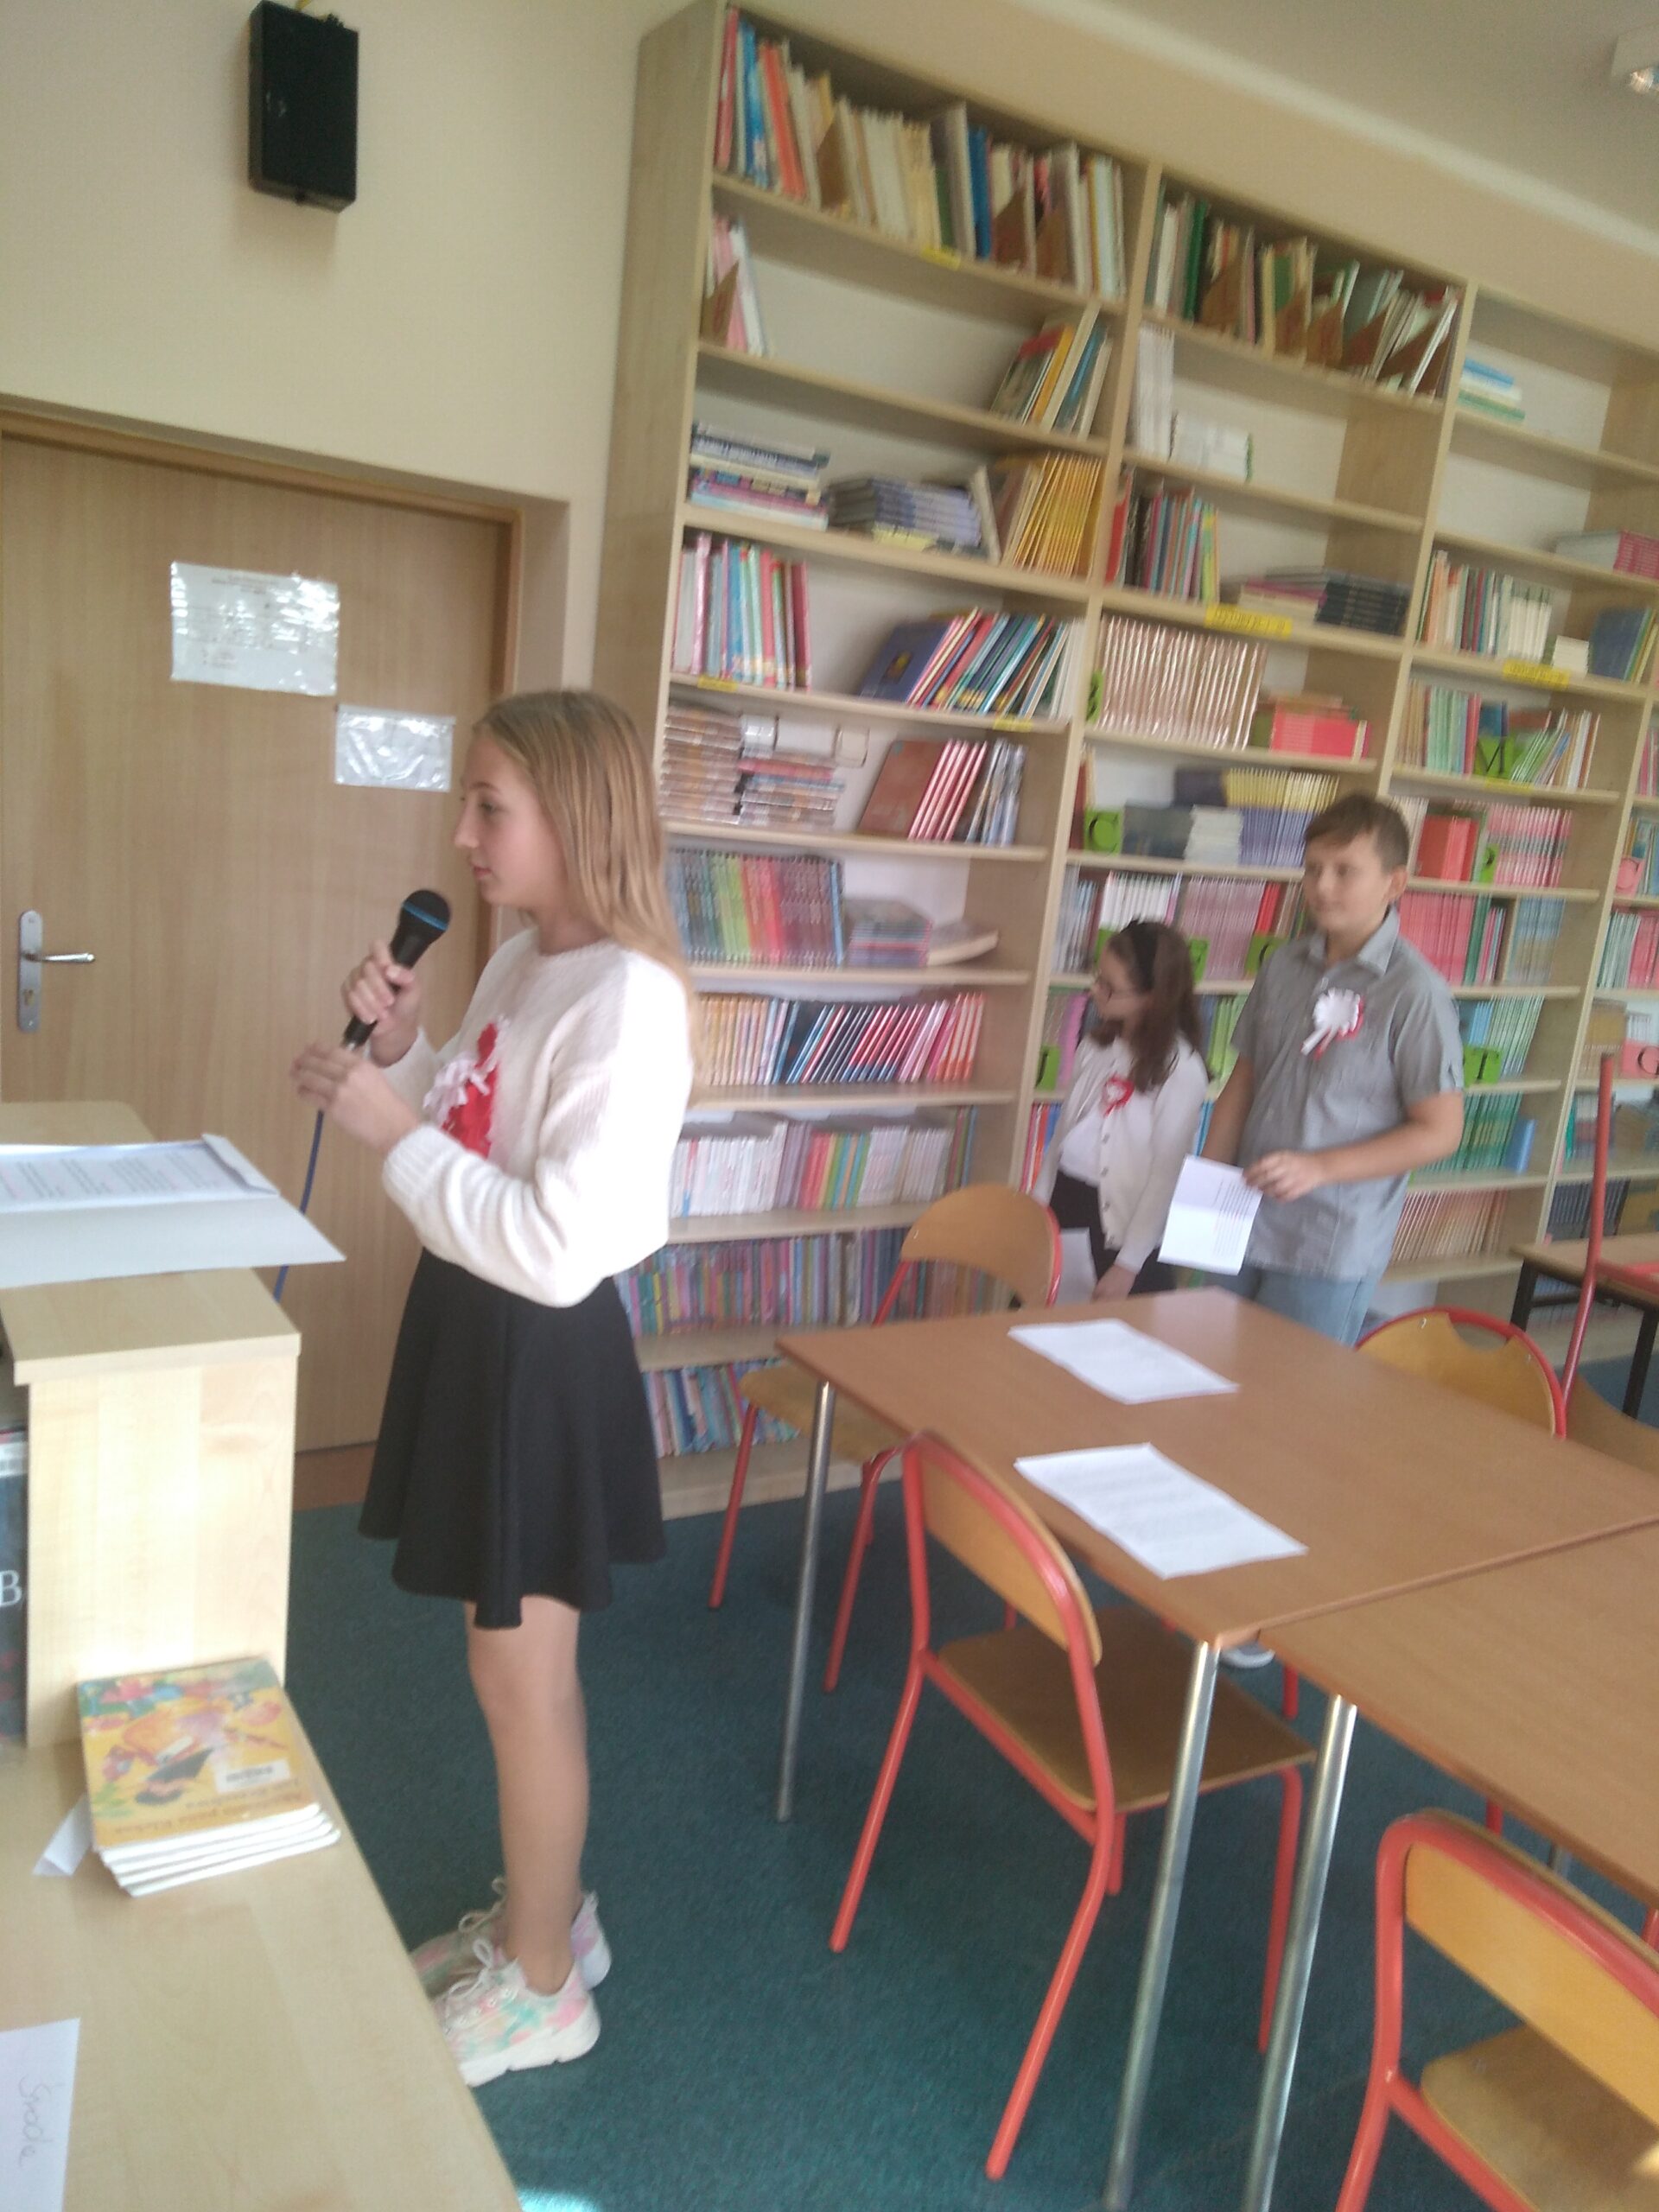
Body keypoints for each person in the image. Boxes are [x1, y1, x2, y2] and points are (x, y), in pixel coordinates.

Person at [290, 690, 693, 2086]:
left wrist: (387, 1127)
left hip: (539, 1348)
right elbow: (477, 1124)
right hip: (480, 1325)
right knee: (513, 1671)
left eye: (490, 807)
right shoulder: (527, 960)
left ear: (575, 818)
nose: (462, 834)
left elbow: (559, 1240)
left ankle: (541, 1990)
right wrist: (408, 1053)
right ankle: (547, 1920)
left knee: (520, 1678)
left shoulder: (632, 998)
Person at [1203, 791, 1464, 1349]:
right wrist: (1207, 1186)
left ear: (1395, 883)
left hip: (1326, 1243)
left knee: (1292, 1393)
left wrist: (1321, 1168)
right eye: (1313, 869)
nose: (1322, 886)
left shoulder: (1414, 992)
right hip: (1240, 1219)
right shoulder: (1282, 965)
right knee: (1209, 1366)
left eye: (1345, 871)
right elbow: (1243, 1083)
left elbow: (1440, 1131)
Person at [1038, 917, 1210, 1304]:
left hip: (1121, 1234)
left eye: (1109, 987)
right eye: (1097, 978)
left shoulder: (1181, 1070)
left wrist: (1128, 1265)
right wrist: (1037, 1211)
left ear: (1151, 997)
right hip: (1066, 1208)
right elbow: (1061, 1139)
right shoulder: (1094, 1047)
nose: (1094, 990)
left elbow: (1165, 1177)